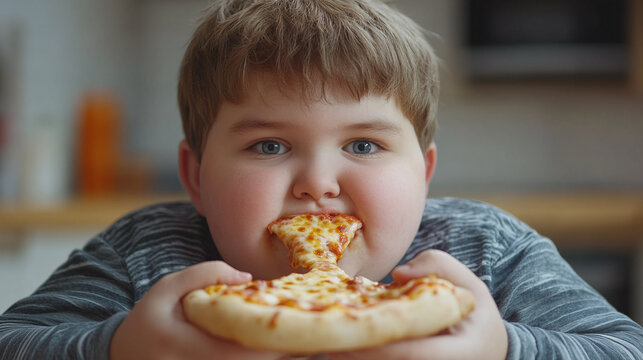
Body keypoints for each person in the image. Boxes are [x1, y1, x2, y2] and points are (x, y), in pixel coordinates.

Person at [1, 0, 642, 359]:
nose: (317, 183)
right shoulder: (144, 254)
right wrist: (117, 349)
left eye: (363, 144)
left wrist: (503, 349)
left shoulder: (486, 253)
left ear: (423, 174)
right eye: (269, 144)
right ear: (195, 177)